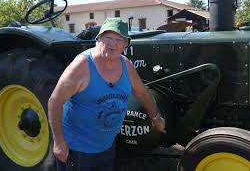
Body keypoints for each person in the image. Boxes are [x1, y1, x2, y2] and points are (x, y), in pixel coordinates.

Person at [48, 18, 166, 171]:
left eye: (118, 40)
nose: (113, 43)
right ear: (98, 39)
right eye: (108, 38)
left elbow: (143, 93)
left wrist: (155, 117)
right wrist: (58, 142)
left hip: (106, 147)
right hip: (77, 150)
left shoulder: (126, 65)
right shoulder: (82, 66)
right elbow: (54, 101)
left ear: (125, 45)